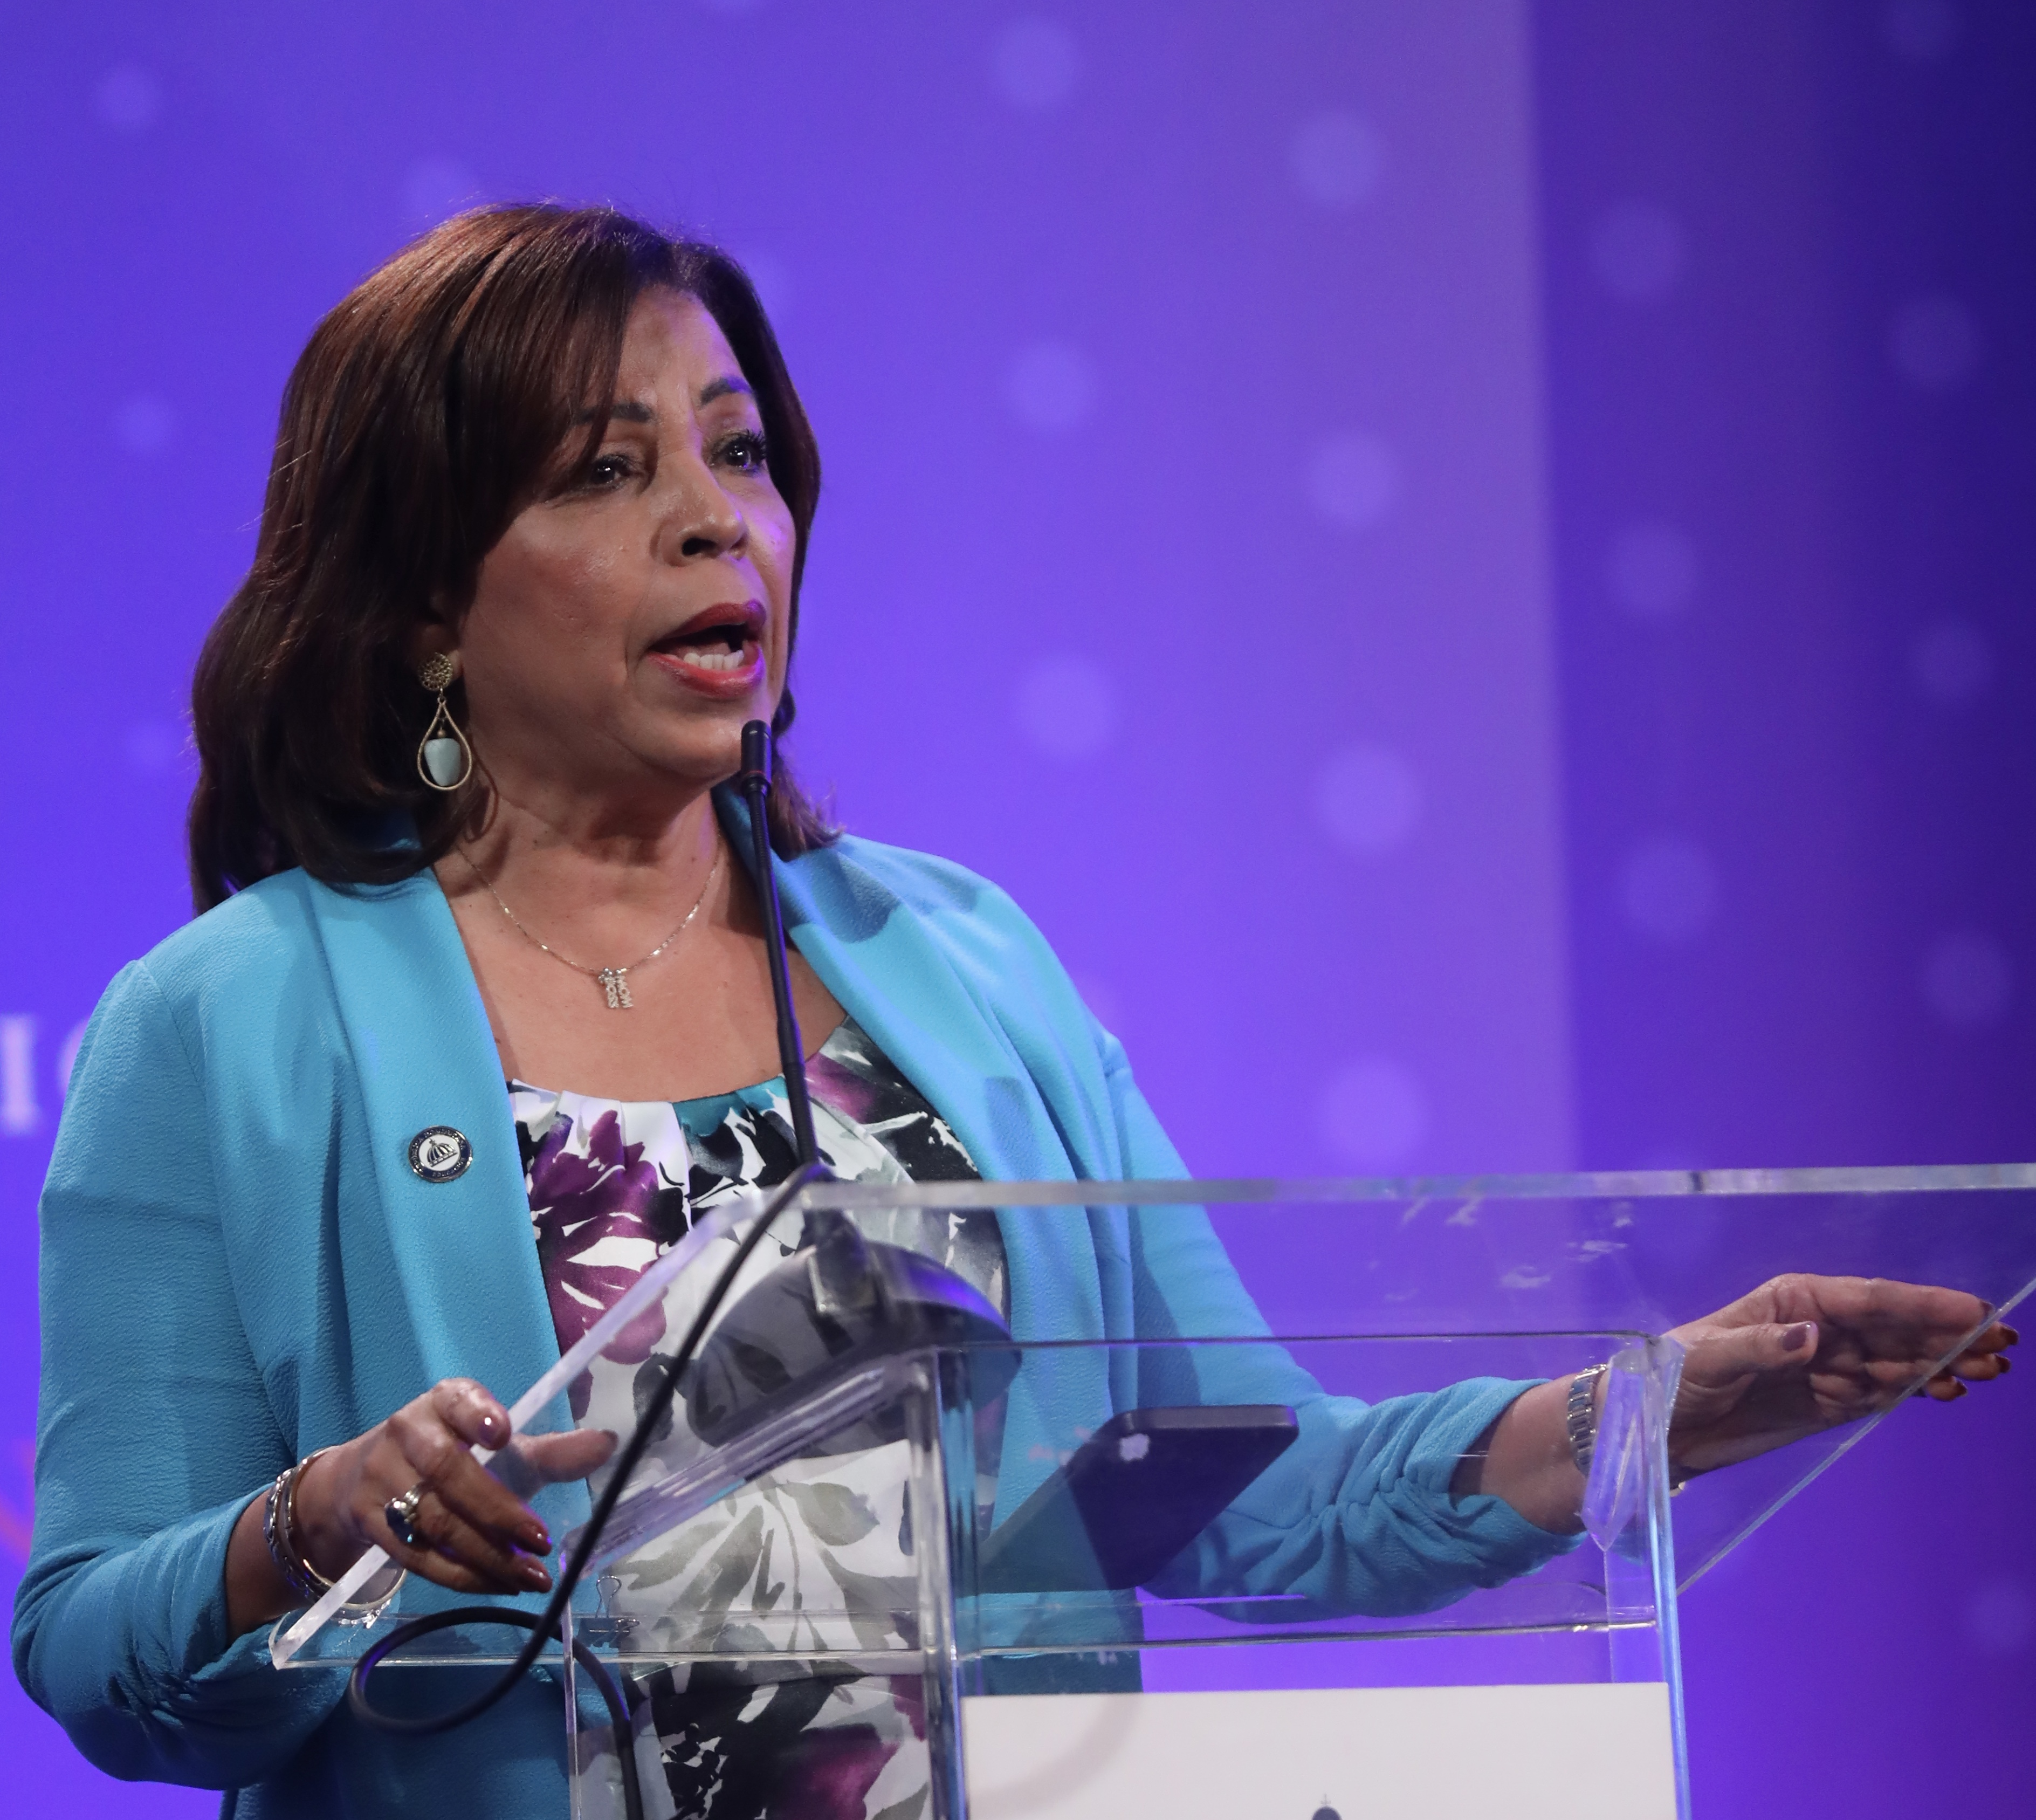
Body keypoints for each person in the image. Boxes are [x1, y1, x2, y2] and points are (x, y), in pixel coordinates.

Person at [12, 205, 2012, 1820]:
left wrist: (1649, 1412)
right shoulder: (228, 1022)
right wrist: (317, 1525)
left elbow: (1257, 1490)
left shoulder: (960, 965)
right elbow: (99, 1651)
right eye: (609, 472)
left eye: (739, 452)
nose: (719, 518)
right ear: (427, 604)